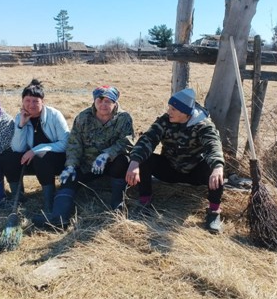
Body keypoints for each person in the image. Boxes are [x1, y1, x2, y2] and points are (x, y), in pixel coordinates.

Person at [33, 85, 134, 229]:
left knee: (123, 161)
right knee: (69, 176)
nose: (103, 105)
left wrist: (107, 154)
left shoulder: (124, 118)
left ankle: (117, 208)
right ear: (94, 101)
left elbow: (127, 142)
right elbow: (74, 144)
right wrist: (71, 165)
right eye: (100, 101)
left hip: (111, 163)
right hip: (87, 164)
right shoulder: (83, 117)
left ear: (115, 102)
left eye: (108, 101)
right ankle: (59, 219)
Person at [125, 88, 225, 234]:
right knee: (145, 159)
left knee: (216, 168)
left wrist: (217, 167)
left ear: (185, 112)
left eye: (173, 109)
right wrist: (134, 161)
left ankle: (214, 212)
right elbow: (148, 139)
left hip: (194, 172)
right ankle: (144, 201)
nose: (169, 111)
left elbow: (213, 145)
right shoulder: (165, 121)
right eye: (169, 108)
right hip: (170, 168)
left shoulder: (203, 125)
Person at [9, 79, 69, 214]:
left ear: (43, 102)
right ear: (22, 102)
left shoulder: (54, 115)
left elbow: (65, 143)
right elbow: (18, 148)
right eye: (27, 100)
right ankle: (18, 198)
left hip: (57, 160)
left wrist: (35, 150)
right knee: (10, 157)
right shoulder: (20, 117)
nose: (31, 105)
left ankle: (49, 202)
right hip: (32, 161)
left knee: (40, 157)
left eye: (36, 101)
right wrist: (21, 125)